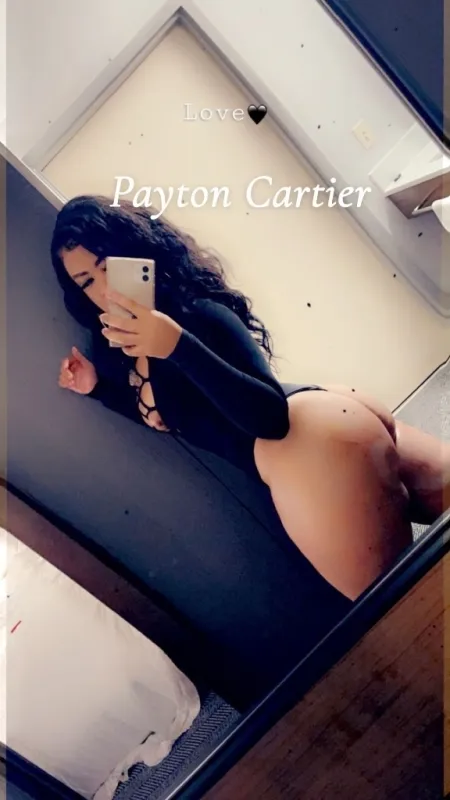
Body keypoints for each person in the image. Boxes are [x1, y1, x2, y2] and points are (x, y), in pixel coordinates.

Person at [51, 195, 450, 601]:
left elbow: (270, 418)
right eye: (87, 282)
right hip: (326, 428)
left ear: (135, 252)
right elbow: (163, 409)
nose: (104, 289)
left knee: (411, 608)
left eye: (108, 266)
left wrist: (176, 345)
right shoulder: (123, 352)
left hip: (308, 449)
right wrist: (97, 388)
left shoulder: (195, 311)